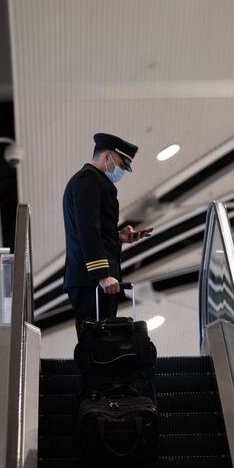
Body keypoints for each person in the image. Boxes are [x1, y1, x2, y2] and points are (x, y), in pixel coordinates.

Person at [62, 133, 153, 332]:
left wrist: (116, 235)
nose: (121, 171)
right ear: (106, 157)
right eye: (121, 165)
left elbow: (94, 227)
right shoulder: (88, 180)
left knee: (104, 344)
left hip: (93, 279)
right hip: (92, 280)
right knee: (96, 345)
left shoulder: (93, 181)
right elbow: (88, 228)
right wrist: (102, 275)